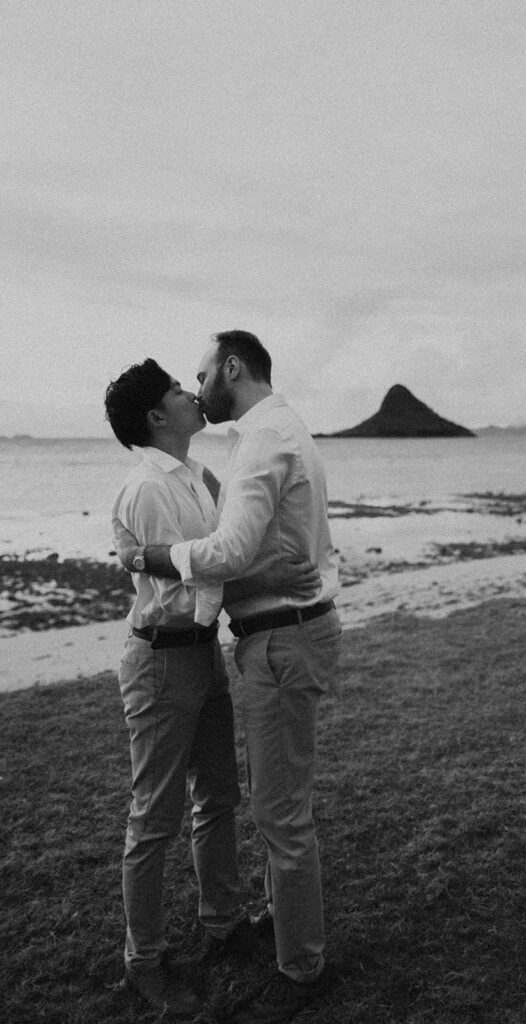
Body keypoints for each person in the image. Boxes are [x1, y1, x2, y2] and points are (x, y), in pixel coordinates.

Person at [114, 332, 342, 1024]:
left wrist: (257, 574)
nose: (192, 388)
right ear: (159, 416)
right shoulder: (153, 485)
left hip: (216, 651)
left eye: (199, 376)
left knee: (230, 800)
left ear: (231, 371)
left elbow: (225, 558)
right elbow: (202, 571)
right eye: (181, 388)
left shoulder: (211, 468)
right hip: (164, 655)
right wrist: (149, 560)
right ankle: (145, 959)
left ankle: (235, 928)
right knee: (158, 815)